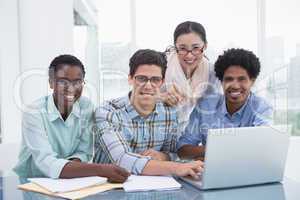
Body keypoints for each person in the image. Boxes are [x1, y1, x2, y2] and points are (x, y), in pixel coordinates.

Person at [14, 55, 130, 183]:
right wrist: (100, 169)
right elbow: (46, 162)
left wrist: (71, 169)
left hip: (68, 181)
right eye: (63, 81)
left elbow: (83, 152)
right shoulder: (34, 112)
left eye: (77, 82)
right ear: (51, 82)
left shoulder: (86, 107)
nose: (71, 88)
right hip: (32, 181)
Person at [93, 49, 203, 179]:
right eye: (141, 78)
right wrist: (176, 167)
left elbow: (173, 153)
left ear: (162, 82)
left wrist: (164, 156)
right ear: (130, 79)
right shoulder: (108, 112)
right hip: (108, 187)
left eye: (155, 80)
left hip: (154, 185)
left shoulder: (169, 112)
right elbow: (121, 159)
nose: (148, 86)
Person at [177, 48, 273, 160]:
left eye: (241, 79)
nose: (235, 86)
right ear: (221, 81)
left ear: (252, 81)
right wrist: (214, 151)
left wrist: (210, 153)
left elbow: (262, 147)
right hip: (212, 173)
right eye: (229, 79)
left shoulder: (262, 107)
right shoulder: (205, 106)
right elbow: (182, 149)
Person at [162, 21, 220, 127]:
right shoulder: (162, 66)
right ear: (175, 47)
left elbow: (215, 107)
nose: (189, 56)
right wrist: (161, 98)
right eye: (183, 48)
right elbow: (140, 98)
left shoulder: (212, 73)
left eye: (196, 48)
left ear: (205, 46)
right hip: (161, 128)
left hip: (195, 131)